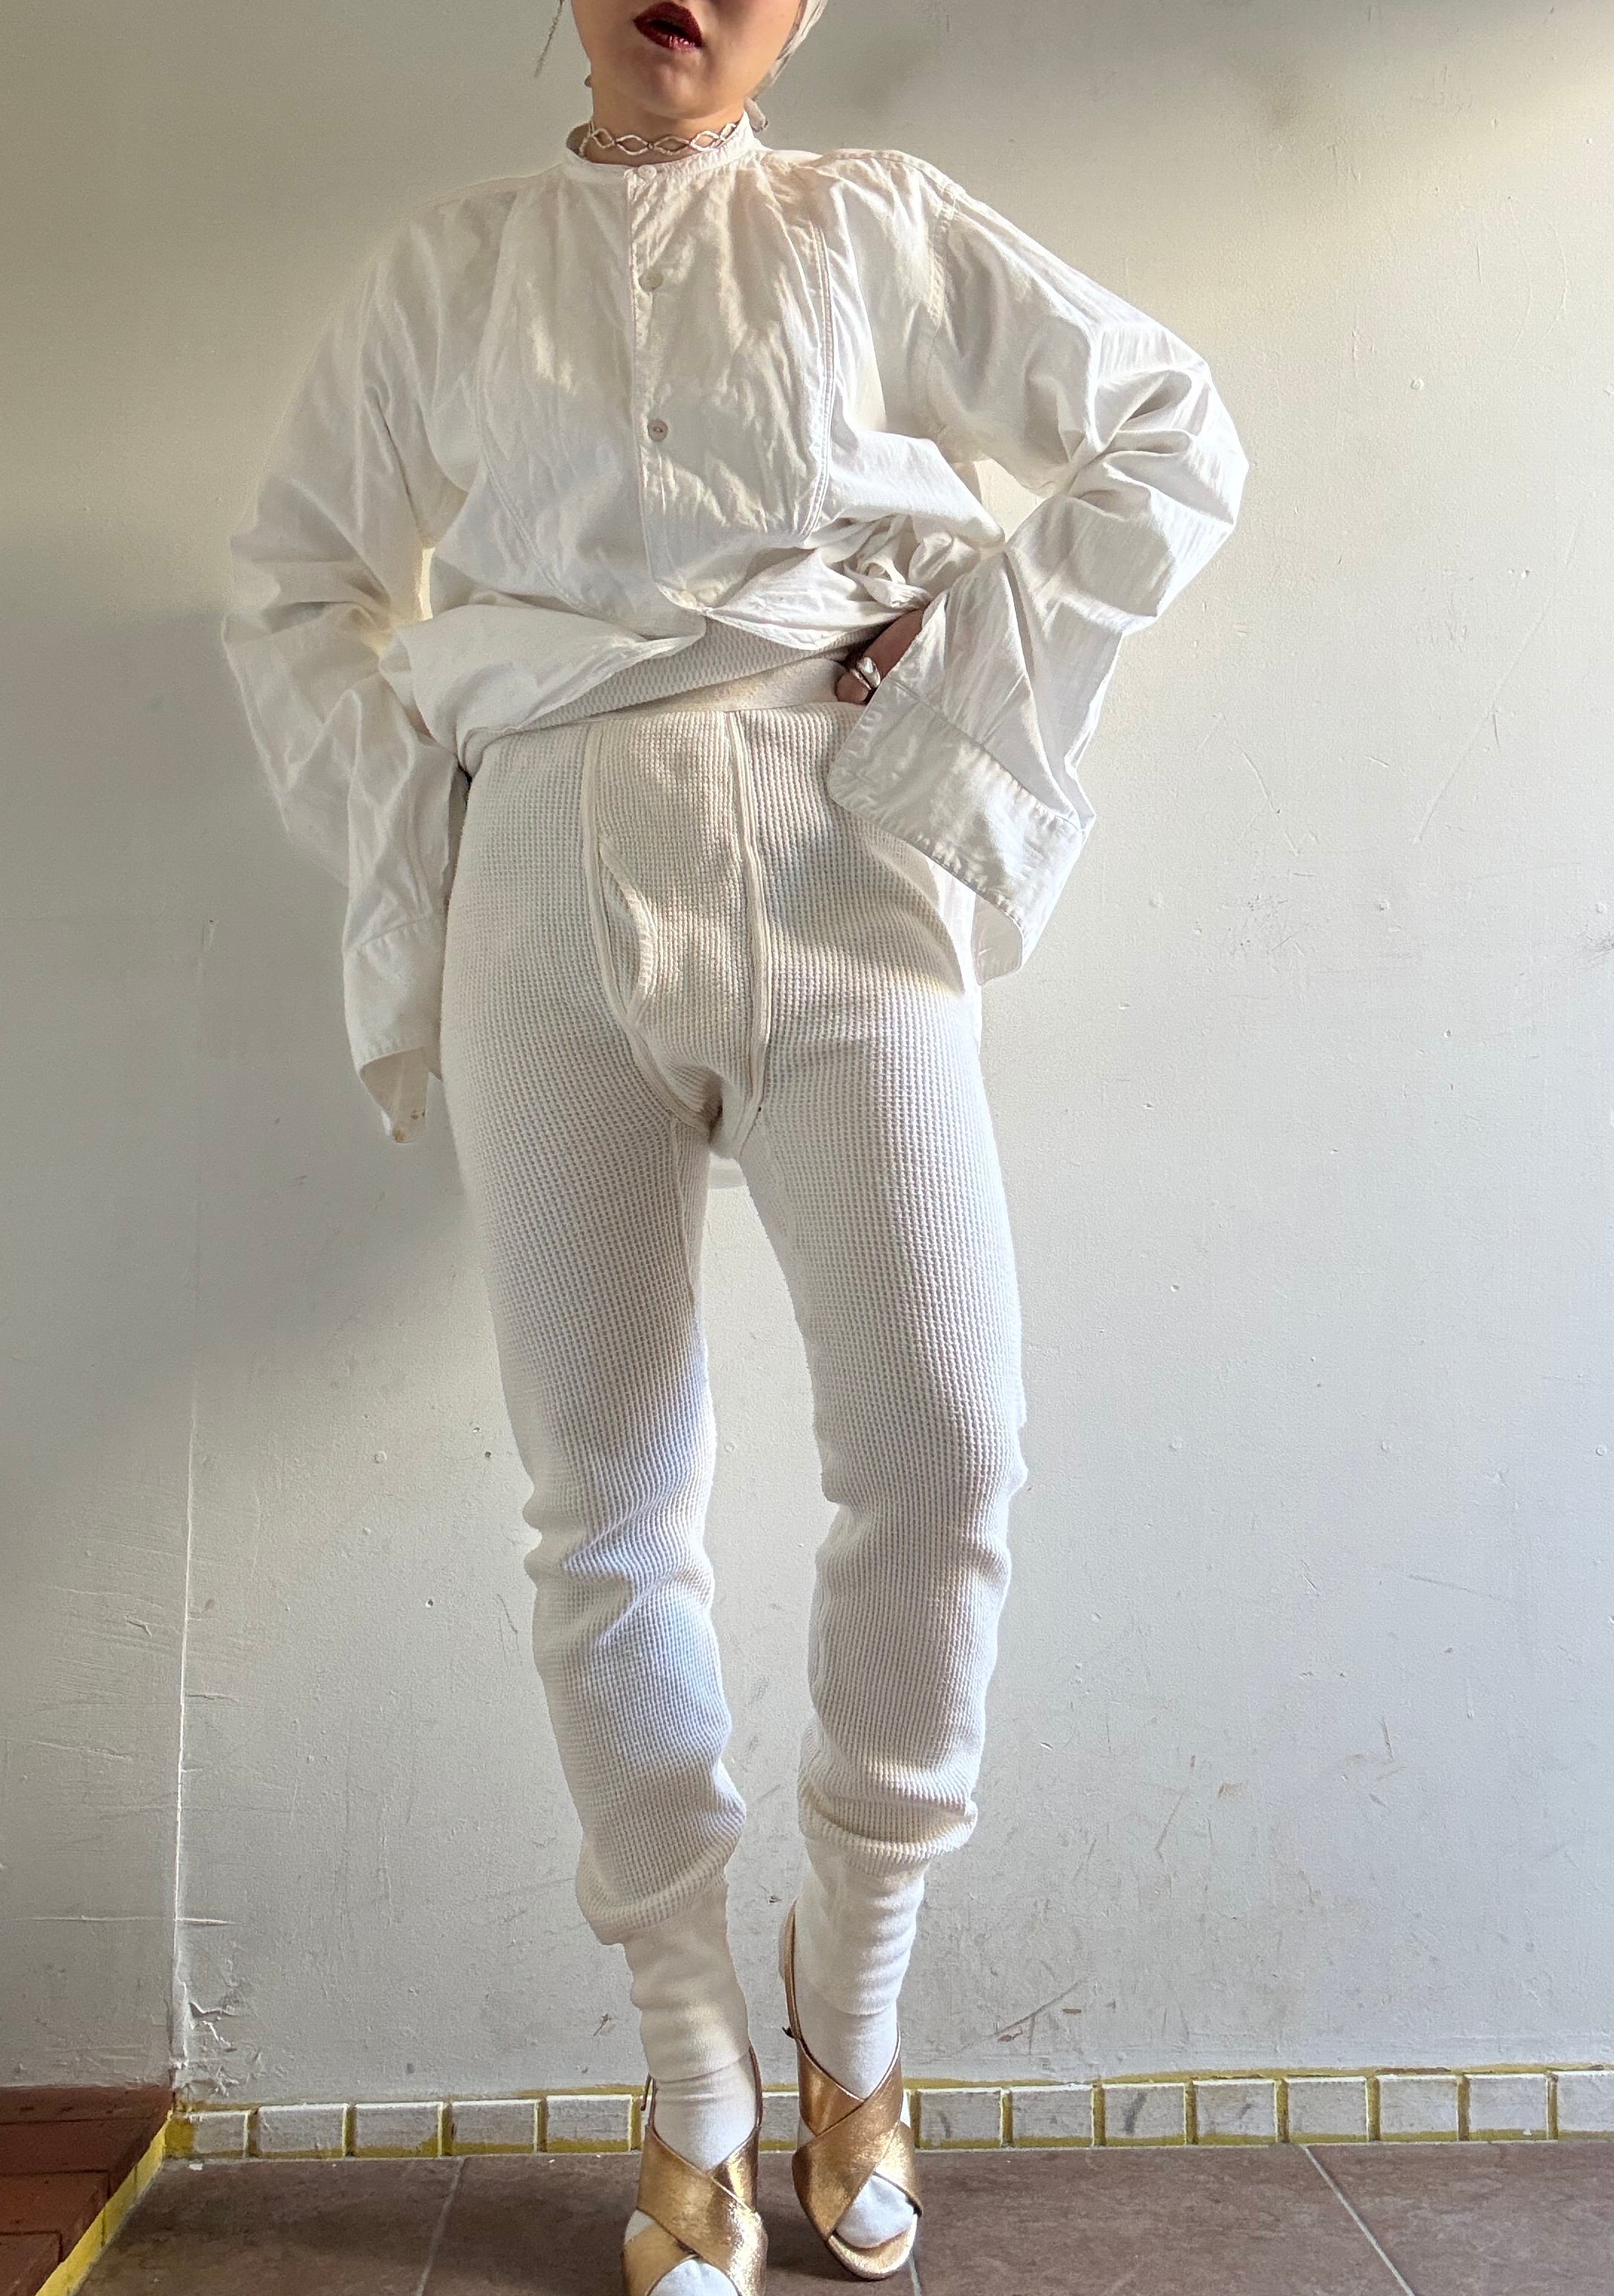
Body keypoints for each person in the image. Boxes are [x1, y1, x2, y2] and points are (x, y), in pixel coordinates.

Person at [221, 1, 1248, 2286]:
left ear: (800, 10)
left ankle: (852, 2011)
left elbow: (1166, 429)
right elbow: (295, 588)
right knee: (601, 1498)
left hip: (837, 856)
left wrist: (960, 671)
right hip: (540, 880)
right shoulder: (443, 271)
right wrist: (431, 813)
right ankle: (690, 2069)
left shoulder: (873, 225)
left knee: (946, 1451)